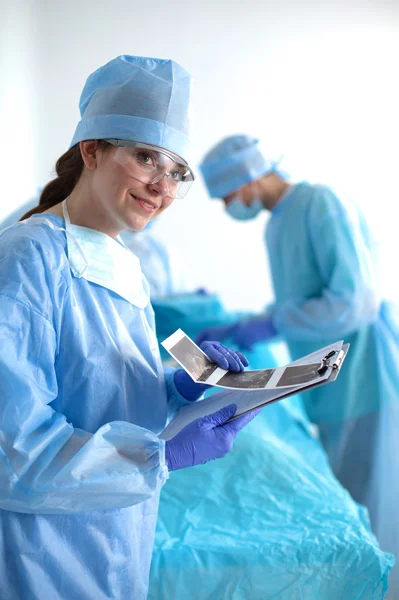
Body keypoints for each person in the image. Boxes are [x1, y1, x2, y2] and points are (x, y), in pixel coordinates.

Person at [0, 57, 261, 600]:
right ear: (91, 150)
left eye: (176, 172)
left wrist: (176, 388)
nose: (162, 187)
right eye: (145, 157)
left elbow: (103, 395)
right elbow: (14, 449)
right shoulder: (28, 257)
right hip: (42, 550)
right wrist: (159, 456)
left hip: (117, 532)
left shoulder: (122, 260)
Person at [196, 134, 399, 585]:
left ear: (246, 177)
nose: (230, 205)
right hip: (331, 379)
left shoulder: (320, 203)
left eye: (227, 195)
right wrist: (245, 324)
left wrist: (269, 325)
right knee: (347, 489)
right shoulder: (277, 223)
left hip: (365, 372)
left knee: (371, 501)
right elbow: (303, 300)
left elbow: (354, 301)